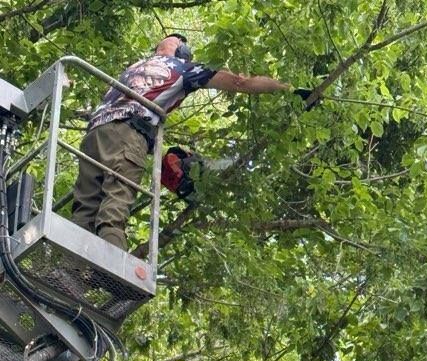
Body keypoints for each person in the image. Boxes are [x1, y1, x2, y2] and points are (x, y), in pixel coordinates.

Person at [71, 34, 312, 250]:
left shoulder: (134, 68)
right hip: (127, 133)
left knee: (85, 209)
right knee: (115, 206)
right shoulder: (183, 69)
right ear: (182, 55)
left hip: (94, 134)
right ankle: (113, 270)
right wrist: (288, 90)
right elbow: (241, 83)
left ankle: (70, 274)